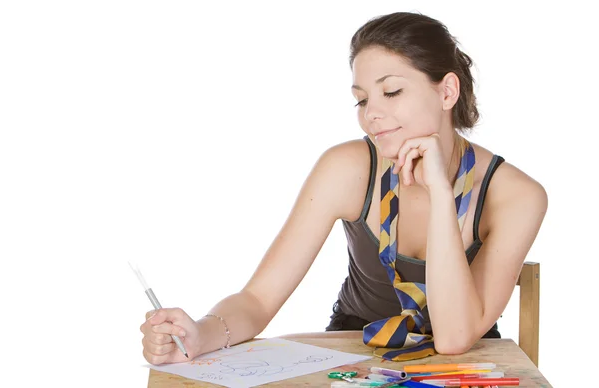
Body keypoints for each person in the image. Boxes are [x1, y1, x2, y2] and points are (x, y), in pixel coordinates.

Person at [139, 11, 547, 365]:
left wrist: (441, 195)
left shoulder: (517, 196)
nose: (372, 114)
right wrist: (199, 335)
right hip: (355, 353)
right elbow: (259, 300)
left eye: (391, 92)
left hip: (469, 365)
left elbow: (454, 339)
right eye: (361, 99)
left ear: (446, 91)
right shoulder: (348, 167)